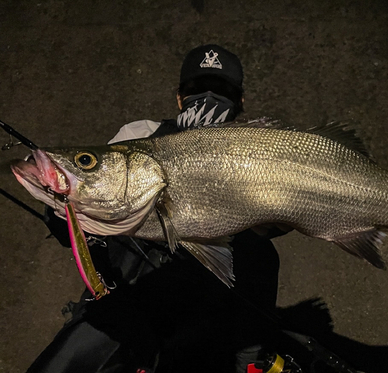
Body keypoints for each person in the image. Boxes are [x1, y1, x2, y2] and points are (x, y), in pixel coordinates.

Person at [31, 44, 282, 373]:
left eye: (220, 90)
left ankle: (247, 359)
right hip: (126, 301)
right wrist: (63, 206)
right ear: (180, 98)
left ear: (240, 100)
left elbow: (283, 221)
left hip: (209, 314)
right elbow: (95, 193)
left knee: (261, 256)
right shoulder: (139, 135)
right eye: (196, 89)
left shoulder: (261, 152)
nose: (207, 96)